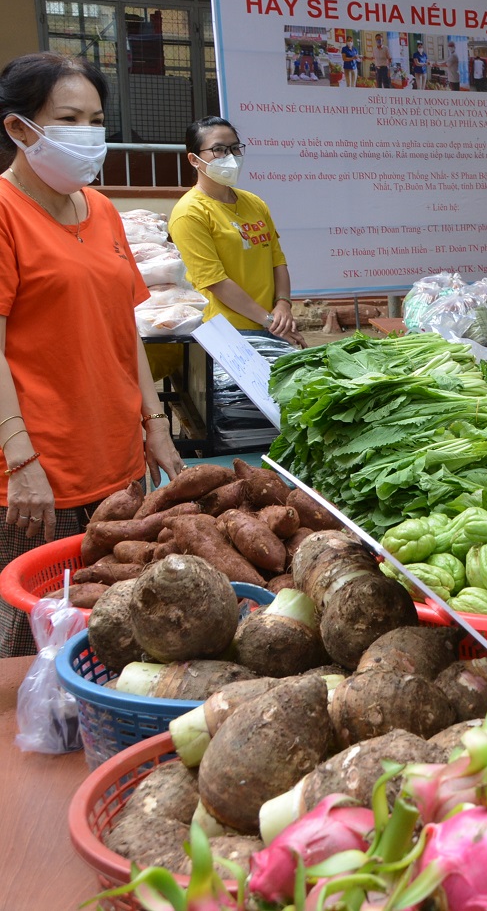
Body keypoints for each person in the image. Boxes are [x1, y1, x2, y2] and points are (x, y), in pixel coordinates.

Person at [0, 52, 184, 656]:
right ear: (19, 129)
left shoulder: (100, 208)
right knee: (34, 642)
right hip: (40, 475)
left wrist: (155, 424)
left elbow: (124, 327)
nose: (88, 134)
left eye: (97, 118)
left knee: (114, 631)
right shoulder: (4, 212)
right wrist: (20, 459)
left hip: (116, 461)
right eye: (69, 118)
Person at [168, 117, 302, 345]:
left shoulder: (254, 203)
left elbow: (277, 260)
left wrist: (283, 303)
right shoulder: (189, 213)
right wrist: (269, 321)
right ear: (194, 159)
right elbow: (215, 281)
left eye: (234, 148)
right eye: (218, 149)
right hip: (226, 331)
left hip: (271, 323)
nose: (230, 156)